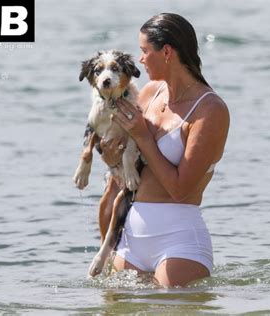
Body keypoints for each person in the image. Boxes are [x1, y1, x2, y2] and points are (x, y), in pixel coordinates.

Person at [97, 13, 229, 287]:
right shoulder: (149, 93)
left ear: (167, 52)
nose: (141, 59)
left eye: (145, 51)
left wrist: (143, 137)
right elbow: (122, 169)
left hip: (178, 241)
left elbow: (181, 189)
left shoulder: (210, 110)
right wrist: (111, 154)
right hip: (130, 239)